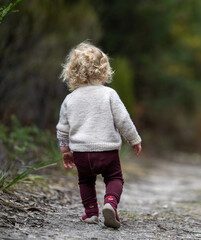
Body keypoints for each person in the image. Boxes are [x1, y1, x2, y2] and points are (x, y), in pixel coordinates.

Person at [56, 42, 142, 229]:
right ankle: (110, 202)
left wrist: (65, 150)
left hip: (81, 152)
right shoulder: (109, 94)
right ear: (103, 72)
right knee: (114, 178)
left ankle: (91, 213)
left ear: (73, 72)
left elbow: (62, 128)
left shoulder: (70, 99)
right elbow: (123, 120)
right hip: (107, 151)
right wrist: (134, 139)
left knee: (85, 180)